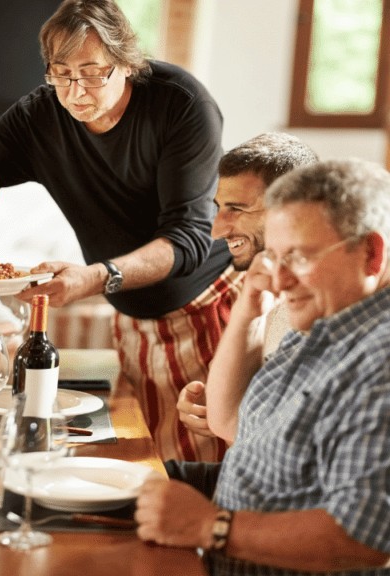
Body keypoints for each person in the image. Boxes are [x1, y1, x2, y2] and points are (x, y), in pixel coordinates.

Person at [0, 0, 231, 462]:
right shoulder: (39, 116)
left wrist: (92, 277)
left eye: (91, 72)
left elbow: (187, 240)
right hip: (130, 312)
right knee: (152, 464)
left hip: (207, 305)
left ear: (126, 62)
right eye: (60, 73)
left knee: (212, 467)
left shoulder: (180, 105)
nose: (75, 91)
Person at [136, 158, 390, 575]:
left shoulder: (379, 361)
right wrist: (249, 311)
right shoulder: (324, 322)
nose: (279, 279)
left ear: (371, 253)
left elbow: (363, 538)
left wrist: (208, 527)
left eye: (299, 257)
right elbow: (230, 420)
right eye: (274, 257)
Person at [176, 133, 318, 444]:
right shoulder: (262, 287)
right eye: (219, 208)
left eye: (237, 209)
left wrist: (223, 417)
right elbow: (236, 421)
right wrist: (211, 406)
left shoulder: (325, 303)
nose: (217, 230)